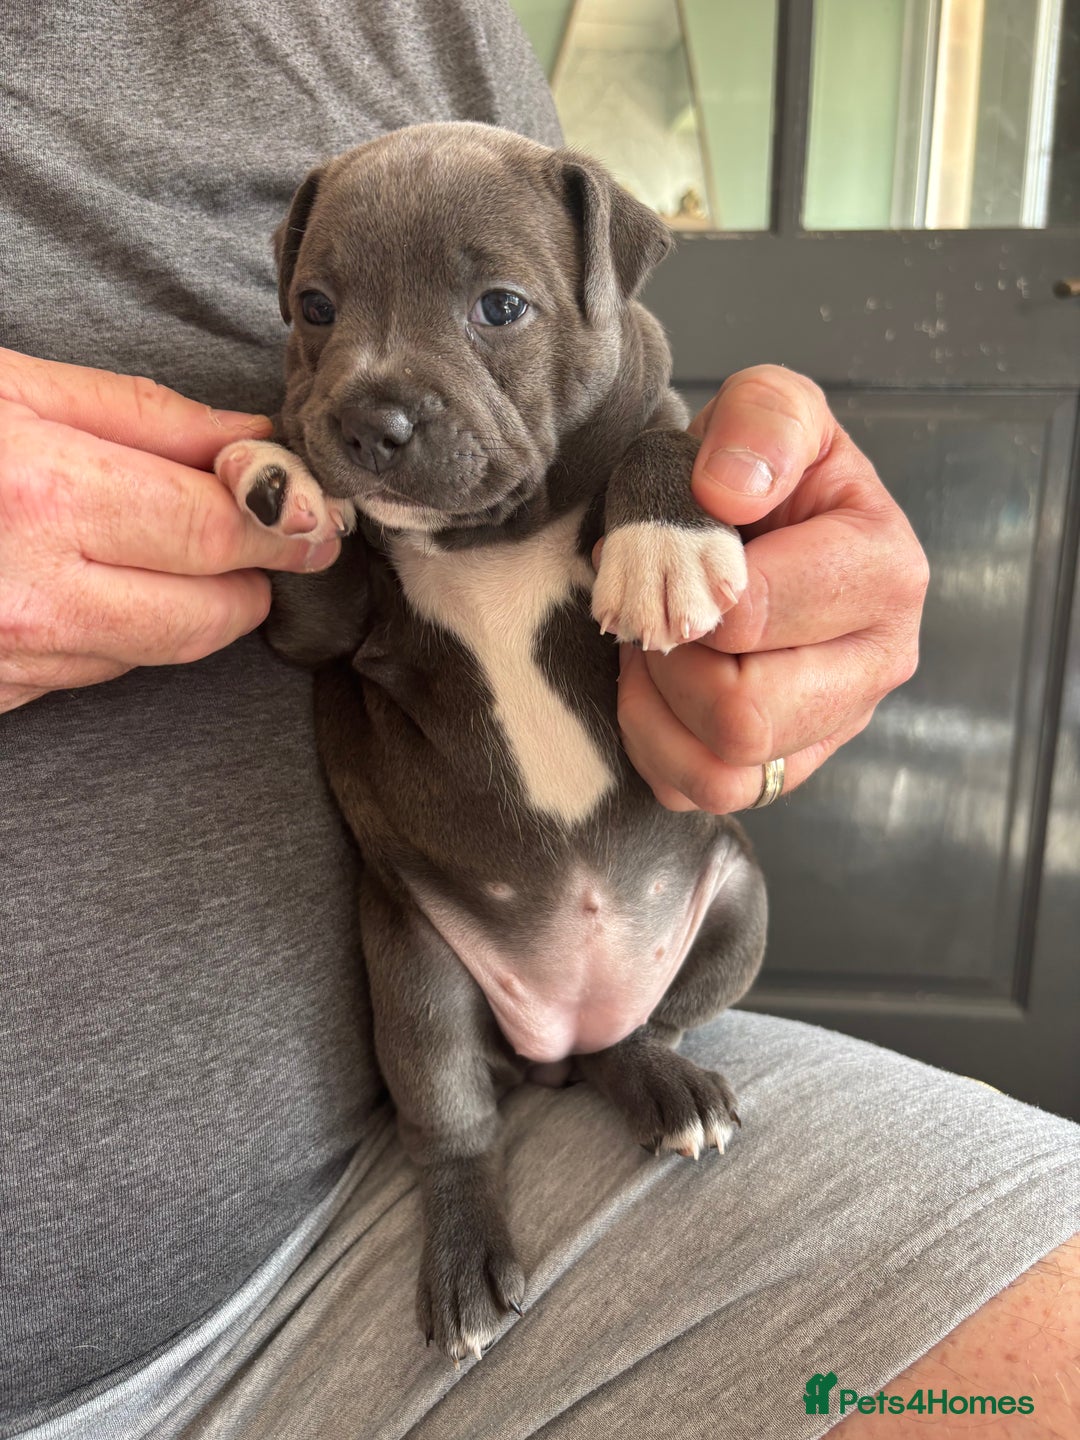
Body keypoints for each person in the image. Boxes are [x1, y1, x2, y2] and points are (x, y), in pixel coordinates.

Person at [1, 3, 1076, 1438]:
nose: (370, 392)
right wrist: (295, 521)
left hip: (541, 1057)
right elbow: (316, 628)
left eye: (493, 309)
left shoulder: (429, 27)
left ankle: (635, 1047)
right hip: (428, 1028)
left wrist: (711, 523)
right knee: (418, 951)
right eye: (321, 316)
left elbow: (646, 425)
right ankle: (463, 1170)